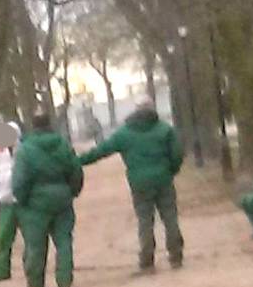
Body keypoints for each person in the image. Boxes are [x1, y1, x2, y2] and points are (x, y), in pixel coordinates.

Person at [79, 95, 184, 275]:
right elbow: (177, 154)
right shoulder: (165, 130)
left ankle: (147, 261)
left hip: (139, 183)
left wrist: (77, 161)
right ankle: (176, 256)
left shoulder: (124, 133)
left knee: (145, 220)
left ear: (136, 110)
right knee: (170, 217)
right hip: (163, 179)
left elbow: (101, 151)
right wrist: (170, 171)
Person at [13, 112, 84, 287]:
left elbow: (20, 181)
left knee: (35, 246)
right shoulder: (63, 144)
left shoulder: (25, 150)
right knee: (64, 241)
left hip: (35, 205)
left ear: (33, 126)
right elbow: (76, 170)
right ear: (49, 124)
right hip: (62, 199)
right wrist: (71, 192)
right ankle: (65, 282)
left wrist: (22, 200)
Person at [0, 122, 22, 283]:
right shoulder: (0, 158)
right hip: (7, 205)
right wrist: (0, 196)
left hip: (23, 202)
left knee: (32, 238)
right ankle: (2, 271)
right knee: (3, 239)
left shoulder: (23, 153)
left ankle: (33, 269)